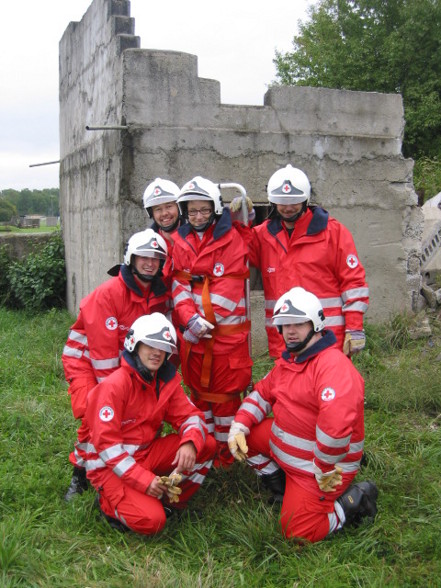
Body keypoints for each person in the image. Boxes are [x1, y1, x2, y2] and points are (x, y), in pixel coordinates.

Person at [228, 287, 378, 544]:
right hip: (291, 450)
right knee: (246, 438)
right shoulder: (290, 360)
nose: (290, 331)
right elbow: (261, 395)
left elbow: (335, 429)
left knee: (298, 534)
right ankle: (281, 487)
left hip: (321, 468)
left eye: (298, 324)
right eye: (285, 325)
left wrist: (323, 468)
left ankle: (352, 503)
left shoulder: (332, 366)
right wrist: (239, 426)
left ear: (317, 324)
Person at [78, 313, 216, 534]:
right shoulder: (114, 386)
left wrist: (189, 442)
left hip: (145, 454)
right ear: (135, 345)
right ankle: (107, 503)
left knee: (205, 444)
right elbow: (107, 448)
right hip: (108, 467)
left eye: (162, 347)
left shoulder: (165, 381)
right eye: (150, 344)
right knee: (152, 522)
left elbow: (192, 416)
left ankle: (174, 502)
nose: (157, 352)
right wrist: (145, 481)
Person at [62, 228, 171, 501]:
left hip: (129, 364)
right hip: (88, 362)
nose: (149, 262)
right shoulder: (109, 294)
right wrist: (121, 396)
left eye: (156, 258)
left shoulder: (158, 294)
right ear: (130, 259)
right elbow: (103, 358)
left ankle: (127, 462)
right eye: (143, 257)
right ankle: (80, 473)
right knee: (95, 409)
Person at [231, 164, 369, 359]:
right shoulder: (263, 235)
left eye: (294, 202)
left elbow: (354, 283)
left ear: (305, 200)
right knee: (287, 389)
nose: (288, 208)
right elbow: (236, 253)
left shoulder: (333, 233)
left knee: (325, 388)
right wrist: (241, 221)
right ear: (273, 202)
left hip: (325, 338)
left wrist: (354, 327)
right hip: (285, 339)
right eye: (282, 202)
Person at [171, 176, 253, 466]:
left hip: (226, 342)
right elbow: (179, 285)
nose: (197, 217)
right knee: (199, 398)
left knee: (226, 400)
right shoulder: (180, 241)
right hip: (195, 338)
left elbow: (229, 292)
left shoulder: (232, 240)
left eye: (203, 210)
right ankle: (204, 453)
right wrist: (188, 319)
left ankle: (226, 458)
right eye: (191, 211)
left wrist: (203, 321)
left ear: (215, 209)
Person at [143, 177, 183, 281]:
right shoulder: (145, 245)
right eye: (158, 209)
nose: (164, 213)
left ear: (178, 207)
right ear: (151, 213)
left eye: (169, 206)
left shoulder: (196, 237)